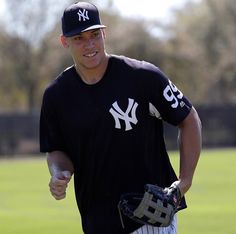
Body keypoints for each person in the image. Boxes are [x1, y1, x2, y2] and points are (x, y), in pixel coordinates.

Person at [39, 2, 202, 234]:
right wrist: (58, 172)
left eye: (95, 34)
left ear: (104, 33)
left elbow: (188, 118)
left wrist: (183, 183)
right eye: (79, 38)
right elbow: (56, 149)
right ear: (64, 41)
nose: (90, 44)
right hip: (96, 220)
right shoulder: (57, 95)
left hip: (149, 216)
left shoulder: (142, 77)